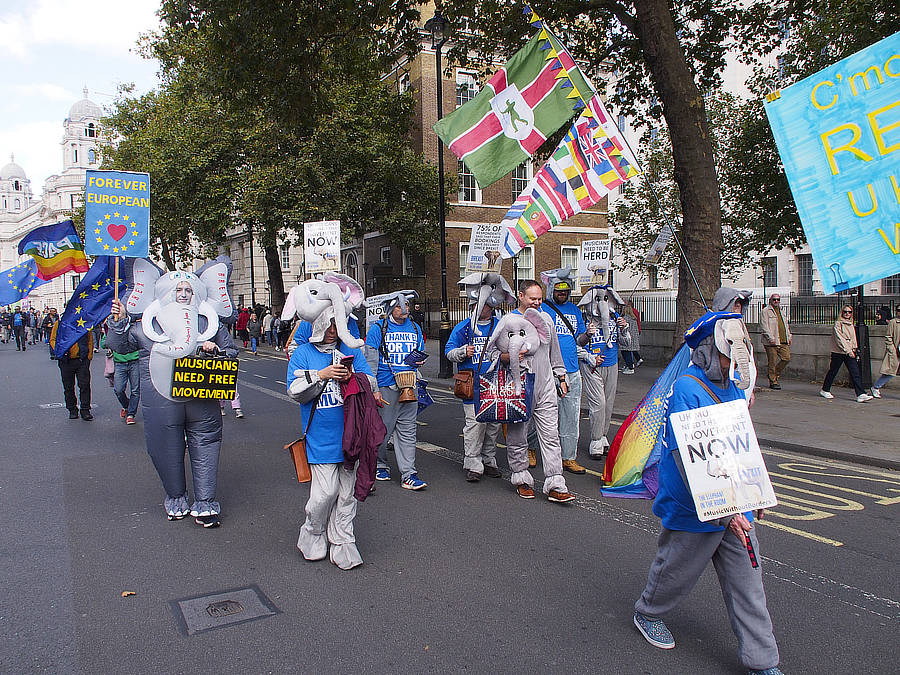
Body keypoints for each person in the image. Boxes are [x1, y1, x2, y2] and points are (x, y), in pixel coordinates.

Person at [633, 311, 783, 675]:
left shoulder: (730, 387)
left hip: (734, 506)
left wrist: (755, 491)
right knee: (675, 573)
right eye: (728, 354)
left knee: (748, 582)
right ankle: (647, 612)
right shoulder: (686, 388)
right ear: (706, 352)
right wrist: (728, 509)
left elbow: (740, 443)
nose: (734, 363)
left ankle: (763, 662)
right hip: (692, 508)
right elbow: (688, 460)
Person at [108, 261, 238, 527]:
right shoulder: (144, 327)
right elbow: (119, 345)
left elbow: (231, 352)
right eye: (178, 289)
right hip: (161, 401)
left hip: (203, 398)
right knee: (164, 448)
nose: (183, 294)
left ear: (196, 295)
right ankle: (176, 497)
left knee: (207, 443)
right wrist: (118, 322)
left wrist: (216, 351)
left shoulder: (211, 325)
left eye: (188, 290)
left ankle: (205, 502)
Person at [287, 309, 379, 569]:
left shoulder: (350, 353)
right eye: (328, 324)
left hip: (351, 437)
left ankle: (342, 541)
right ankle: (313, 532)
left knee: (346, 495)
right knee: (324, 494)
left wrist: (354, 377)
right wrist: (321, 375)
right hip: (320, 438)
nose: (332, 330)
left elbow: (370, 381)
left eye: (337, 324)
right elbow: (294, 391)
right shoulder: (303, 353)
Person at [485, 280, 575, 503]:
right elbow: (491, 353)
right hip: (517, 388)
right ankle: (521, 478)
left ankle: (555, 482)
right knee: (517, 436)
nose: (537, 302)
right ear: (521, 296)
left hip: (545, 387)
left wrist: (561, 376)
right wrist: (507, 357)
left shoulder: (546, 319)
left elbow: (555, 352)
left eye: (539, 298)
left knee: (551, 436)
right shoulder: (507, 321)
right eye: (532, 298)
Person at [445, 273, 512, 482]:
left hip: (495, 382)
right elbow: (449, 351)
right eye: (477, 305)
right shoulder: (463, 327)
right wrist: (463, 351)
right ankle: (473, 462)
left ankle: (488, 459)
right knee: (475, 425)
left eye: (485, 305)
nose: (479, 308)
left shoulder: (500, 326)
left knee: (492, 424)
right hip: (472, 384)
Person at [365, 290, 427, 490]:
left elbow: (420, 354)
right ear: (392, 308)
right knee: (383, 429)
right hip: (385, 385)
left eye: (407, 305)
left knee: (408, 431)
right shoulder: (378, 330)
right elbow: (371, 361)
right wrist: (373, 388)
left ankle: (409, 474)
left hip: (410, 386)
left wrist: (420, 361)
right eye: (400, 306)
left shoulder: (416, 328)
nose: (405, 309)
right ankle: (380, 464)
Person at [538, 268, 587, 475]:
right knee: (542, 414)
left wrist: (589, 334)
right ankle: (532, 449)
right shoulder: (543, 310)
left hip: (573, 371)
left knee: (571, 416)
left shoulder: (575, 311)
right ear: (552, 290)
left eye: (566, 291)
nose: (563, 294)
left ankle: (568, 457)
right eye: (559, 290)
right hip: (549, 371)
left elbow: (580, 339)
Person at [577, 285, 630, 459]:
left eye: (606, 299)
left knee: (608, 403)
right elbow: (576, 345)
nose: (602, 304)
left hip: (612, 365)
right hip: (592, 367)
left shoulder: (615, 319)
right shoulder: (583, 320)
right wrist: (589, 353)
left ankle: (603, 436)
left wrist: (624, 329)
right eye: (598, 300)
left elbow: (626, 343)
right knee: (598, 404)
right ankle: (595, 440)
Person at [819, 305, 872, 402]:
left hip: (850, 351)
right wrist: (849, 351)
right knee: (833, 371)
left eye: (849, 312)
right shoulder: (838, 324)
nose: (847, 314)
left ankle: (860, 394)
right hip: (839, 352)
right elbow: (840, 339)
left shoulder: (851, 323)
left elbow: (853, 338)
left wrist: (854, 348)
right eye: (845, 312)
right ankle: (825, 389)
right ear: (842, 313)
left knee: (855, 372)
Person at [49, 317, 94, 420]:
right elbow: (53, 339)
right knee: (68, 387)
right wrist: (60, 351)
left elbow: (90, 339)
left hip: (81, 360)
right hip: (66, 361)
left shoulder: (83, 322)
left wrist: (89, 356)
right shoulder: (59, 324)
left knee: (84, 385)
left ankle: (85, 410)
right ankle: (72, 409)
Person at [104, 327, 141, 425]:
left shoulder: (134, 327)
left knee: (135, 390)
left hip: (135, 361)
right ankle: (127, 406)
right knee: (118, 389)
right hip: (119, 362)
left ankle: (131, 414)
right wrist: (111, 345)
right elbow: (104, 342)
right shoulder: (114, 327)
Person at [760, 294, 792, 390]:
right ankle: (773, 381)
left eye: (778, 299)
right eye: (774, 299)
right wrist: (770, 338)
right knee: (772, 361)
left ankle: (773, 374)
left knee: (786, 358)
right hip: (771, 341)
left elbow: (785, 325)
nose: (776, 301)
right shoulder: (765, 311)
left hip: (782, 340)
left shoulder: (782, 311)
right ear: (770, 300)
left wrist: (789, 336)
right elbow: (764, 326)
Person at [871, 304, 900, 398]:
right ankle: (876, 387)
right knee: (890, 372)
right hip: (896, 351)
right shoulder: (893, 322)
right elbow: (888, 337)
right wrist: (891, 349)